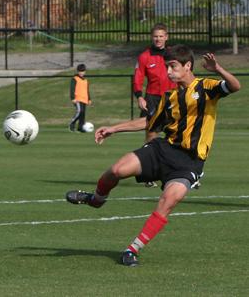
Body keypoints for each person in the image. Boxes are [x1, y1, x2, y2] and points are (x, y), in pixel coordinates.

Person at [66, 45, 241, 267]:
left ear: (187, 66)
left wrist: (217, 68)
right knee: (117, 170)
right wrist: (113, 128)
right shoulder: (170, 97)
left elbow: (235, 86)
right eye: (167, 66)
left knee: (170, 200)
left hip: (189, 162)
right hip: (163, 149)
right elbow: (150, 123)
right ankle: (96, 199)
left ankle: (132, 249)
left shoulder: (206, 87)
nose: (168, 72)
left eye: (173, 66)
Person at [133, 23, 176, 187]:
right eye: (155, 36)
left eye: (161, 36)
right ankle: (148, 173)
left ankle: (181, 173)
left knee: (177, 135)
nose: (158, 39)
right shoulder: (144, 56)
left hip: (172, 98)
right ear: (152, 38)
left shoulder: (173, 54)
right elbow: (138, 77)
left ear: (166, 37)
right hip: (152, 99)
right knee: (151, 136)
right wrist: (139, 97)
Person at [69, 63, 92, 132]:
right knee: (79, 111)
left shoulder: (86, 80)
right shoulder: (75, 79)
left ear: (85, 71)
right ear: (77, 71)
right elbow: (72, 88)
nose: (81, 73)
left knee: (83, 114)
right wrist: (73, 98)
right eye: (80, 71)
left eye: (83, 71)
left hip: (84, 99)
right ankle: (72, 123)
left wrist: (89, 99)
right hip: (77, 99)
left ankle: (80, 127)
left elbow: (87, 90)